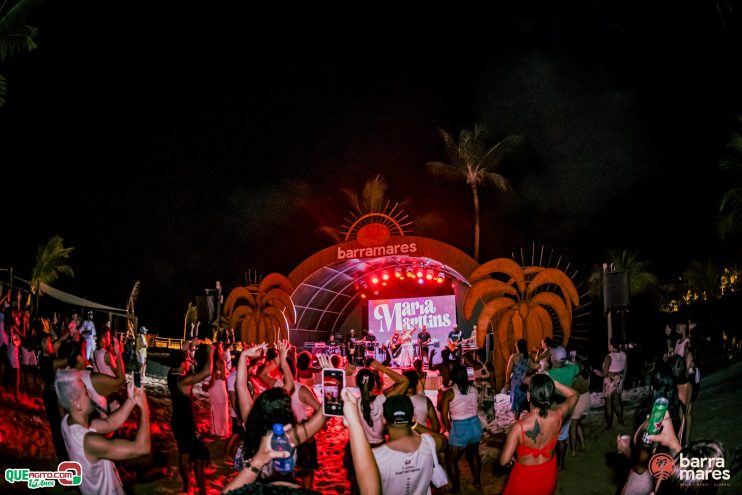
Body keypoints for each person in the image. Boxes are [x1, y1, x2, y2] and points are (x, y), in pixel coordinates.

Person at [223, 387, 381, 495]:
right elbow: (371, 491)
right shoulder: (292, 436)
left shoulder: (252, 428)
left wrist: (258, 460)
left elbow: (227, 492)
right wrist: (354, 423)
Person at [55, 369, 151, 495]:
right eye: (86, 392)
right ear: (77, 404)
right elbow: (142, 448)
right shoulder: (91, 442)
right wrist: (145, 409)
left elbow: (110, 423)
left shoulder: (67, 422)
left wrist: (131, 400)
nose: (90, 395)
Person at [500, 373, 579, 495]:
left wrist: (512, 456)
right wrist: (554, 382)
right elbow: (575, 395)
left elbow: (503, 461)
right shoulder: (558, 416)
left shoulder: (519, 427)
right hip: (548, 476)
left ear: (528, 396)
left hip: (524, 481)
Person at [345, 359, 409, 495]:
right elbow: (404, 381)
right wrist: (380, 367)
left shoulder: (352, 403)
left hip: (359, 449)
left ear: (356, 383)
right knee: (379, 487)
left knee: (356, 487)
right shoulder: (382, 400)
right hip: (381, 449)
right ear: (374, 383)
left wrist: (345, 374)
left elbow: (331, 394)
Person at [372, 395, 447, 495]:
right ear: (413, 417)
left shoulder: (375, 457)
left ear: (383, 419)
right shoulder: (429, 444)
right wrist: (415, 424)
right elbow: (442, 440)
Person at [168, 346, 213, 495]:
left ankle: (187, 486)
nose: (188, 361)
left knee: (184, 454)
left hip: (177, 421)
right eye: (186, 360)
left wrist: (190, 361)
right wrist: (210, 353)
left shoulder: (171, 374)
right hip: (186, 424)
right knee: (200, 457)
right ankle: (202, 491)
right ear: (182, 364)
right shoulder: (184, 381)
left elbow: (188, 370)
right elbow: (207, 372)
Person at [440, 364, 482, 491]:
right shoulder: (474, 389)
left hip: (460, 427)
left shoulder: (449, 393)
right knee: (474, 454)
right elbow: (477, 405)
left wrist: (450, 430)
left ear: (453, 376)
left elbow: (444, 415)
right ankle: (477, 482)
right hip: (475, 425)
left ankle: (456, 488)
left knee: (450, 459)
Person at [548, 347, 581, 470]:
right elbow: (580, 366)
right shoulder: (572, 369)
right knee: (562, 438)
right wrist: (569, 361)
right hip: (567, 407)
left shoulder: (549, 374)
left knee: (551, 438)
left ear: (554, 360)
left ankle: (550, 461)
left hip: (553, 408)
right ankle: (560, 464)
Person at [594, 338, 628, 429]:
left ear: (612, 346)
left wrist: (597, 372)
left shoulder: (609, 357)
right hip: (618, 380)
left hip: (609, 382)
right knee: (617, 402)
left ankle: (609, 425)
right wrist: (622, 381)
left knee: (608, 404)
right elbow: (625, 369)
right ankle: (621, 422)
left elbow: (604, 374)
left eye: (609, 344)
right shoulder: (623, 354)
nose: (608, 346)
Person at [505, 339, 533, 421]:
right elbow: (531, 369)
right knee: (525, 400)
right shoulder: (529, 356)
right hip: (526, 382)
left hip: (517, 383)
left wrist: (507, 383)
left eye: (516, 346)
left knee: (517, 403)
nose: (515, 347)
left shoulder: (513, 357)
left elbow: (508, 372)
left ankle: (516, 421)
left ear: (518, 347)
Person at [204, 351, 229, 437]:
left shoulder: (214, 369)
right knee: (222, 411)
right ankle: (222, 430)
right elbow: (223, 378)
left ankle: (216, 430)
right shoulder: (222, 365)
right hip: (221, 390)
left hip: (216, 390)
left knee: (215, 411)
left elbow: (211, 382)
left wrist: (207, 388)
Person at [569, 360, 591, 456]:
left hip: (579, 401)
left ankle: (573, 451)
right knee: (578, 423)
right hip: (587, 399)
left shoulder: (576, 377)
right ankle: (583, 445)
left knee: (572, 427)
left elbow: (572, 389)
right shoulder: (588, 371)